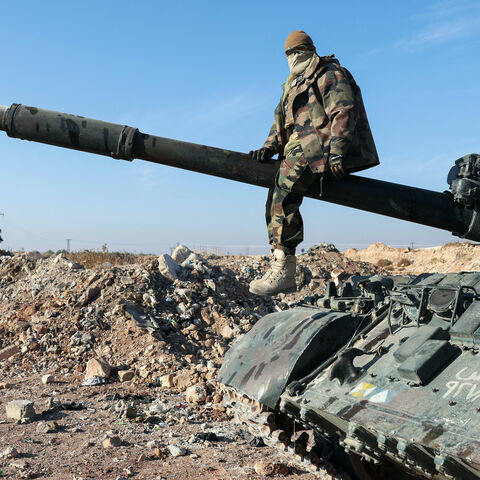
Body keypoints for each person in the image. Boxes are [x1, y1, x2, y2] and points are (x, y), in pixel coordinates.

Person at [249, 30, 379, 296]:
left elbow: (343, 111)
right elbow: (280, 123)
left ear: (308, 50)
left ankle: (285, 271)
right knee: (275, 196)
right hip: (298, 148)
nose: (291, 57)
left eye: (295, 52)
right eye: (287, 54)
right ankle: (280, 261)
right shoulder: (293, 84)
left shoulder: (329, 73)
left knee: (284, 195)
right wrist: (268, 147)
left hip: (318, 146)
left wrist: (337, 152)